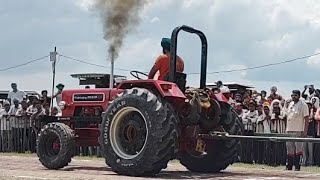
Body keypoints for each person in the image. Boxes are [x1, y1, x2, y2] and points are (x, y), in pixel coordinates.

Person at [285, 90, 309, 171]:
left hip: (298, 130)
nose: (293, 97)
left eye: (295, 95)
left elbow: (306, 118)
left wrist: (305, 131)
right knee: (289, 149)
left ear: (299, 96)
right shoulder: (290, 104)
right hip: (289, 130)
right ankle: (289, 166)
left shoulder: (303, 105)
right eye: (292, 95)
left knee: (298, 149)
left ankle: (297, 166)